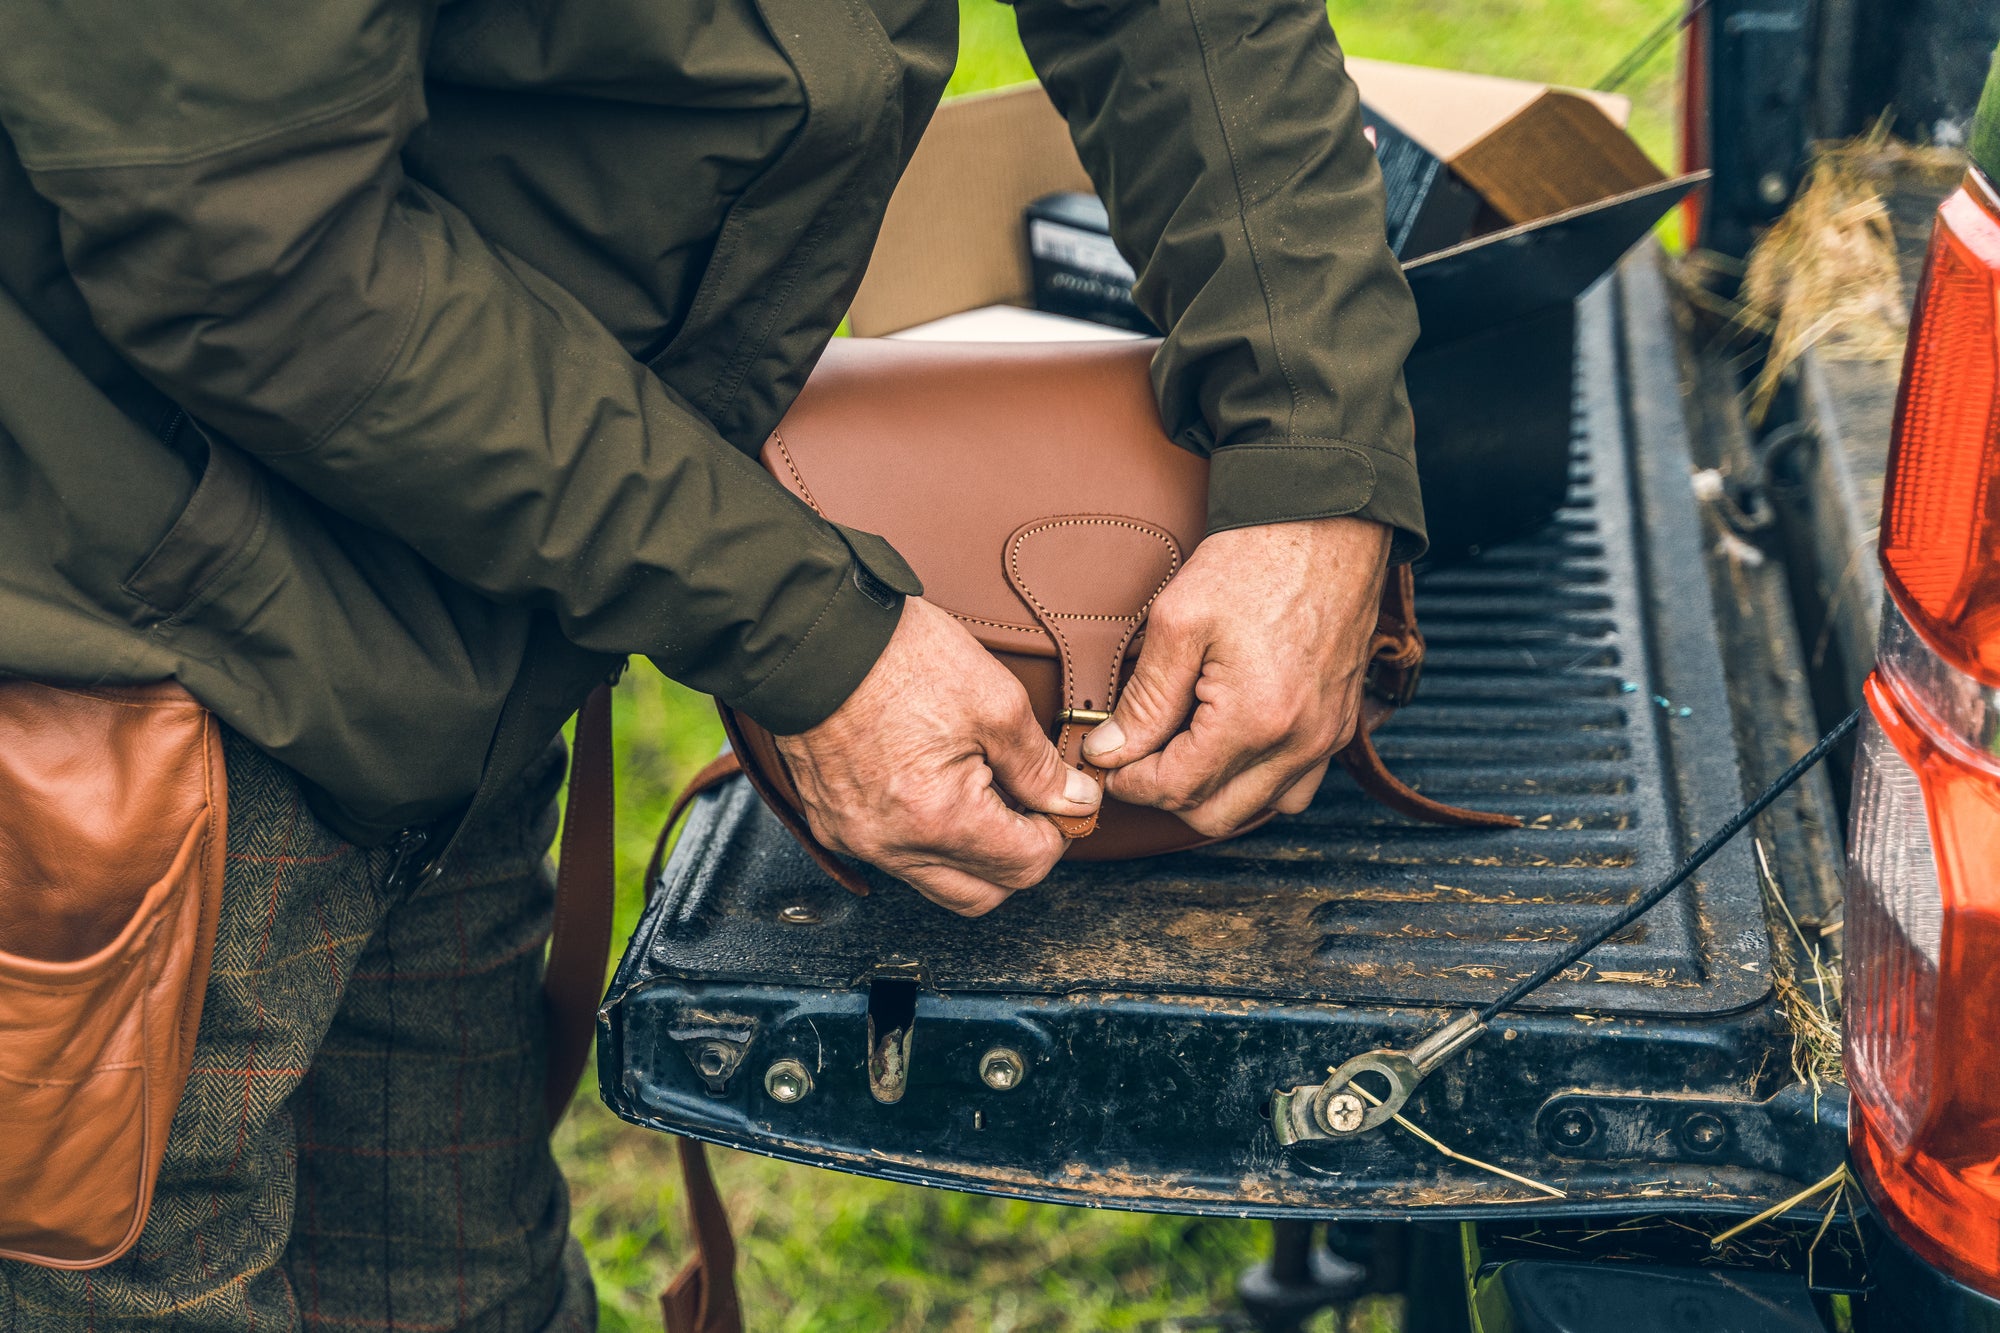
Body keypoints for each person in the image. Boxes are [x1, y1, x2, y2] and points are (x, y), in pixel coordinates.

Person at [0, 0, 1423, 1325]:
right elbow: (245, 232)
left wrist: (1316, 454)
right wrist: (802, 628)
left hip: (468, 613)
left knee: (463, 1289)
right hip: (119, 683)